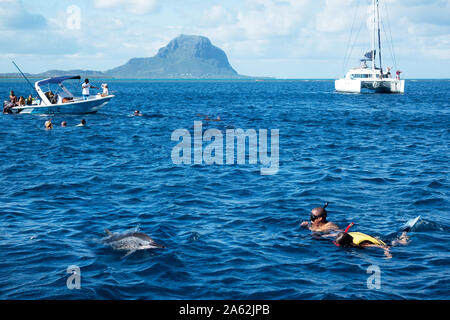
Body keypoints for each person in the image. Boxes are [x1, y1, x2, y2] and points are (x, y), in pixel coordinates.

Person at [333, 223, 409, 259]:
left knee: (402, 243)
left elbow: (384, 246)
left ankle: (404, 234)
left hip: (384, 243)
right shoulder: (348, 234)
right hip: (375, 238)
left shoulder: (362, 244)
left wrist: (387, 253)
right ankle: (403, 233)